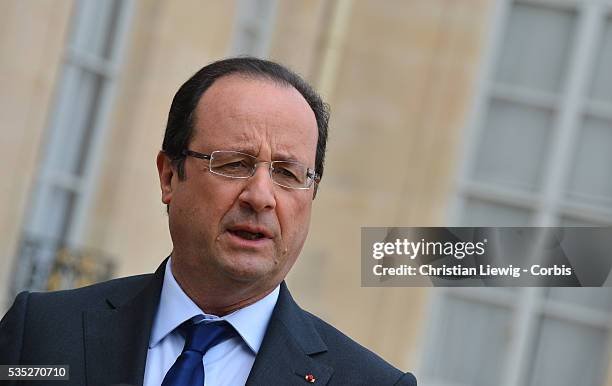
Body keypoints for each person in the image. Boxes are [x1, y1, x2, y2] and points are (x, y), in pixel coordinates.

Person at [0, 57, 417, 386]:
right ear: (168, 176)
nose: (260, 196)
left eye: (289, 174)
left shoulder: (369, 382)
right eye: (234, 164)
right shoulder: (41, 333)